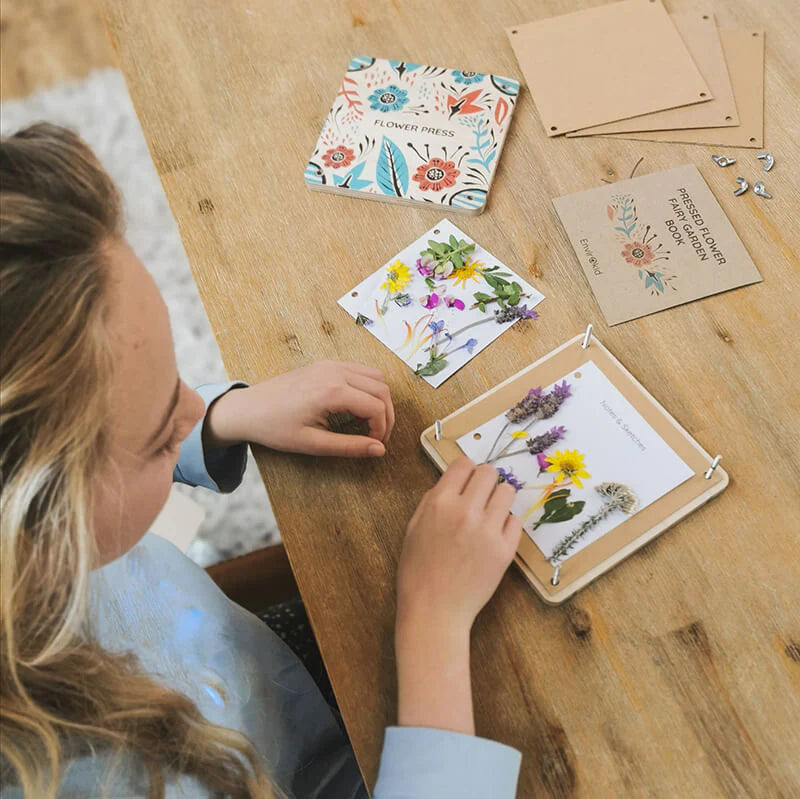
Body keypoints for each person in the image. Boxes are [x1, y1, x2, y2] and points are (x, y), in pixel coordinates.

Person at [0, 124, 523, 798]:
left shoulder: (35, 539)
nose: (194, 404)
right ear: (40, 514)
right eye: (161, 437)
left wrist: (218, 420)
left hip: (272, 695)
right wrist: (431, 623)